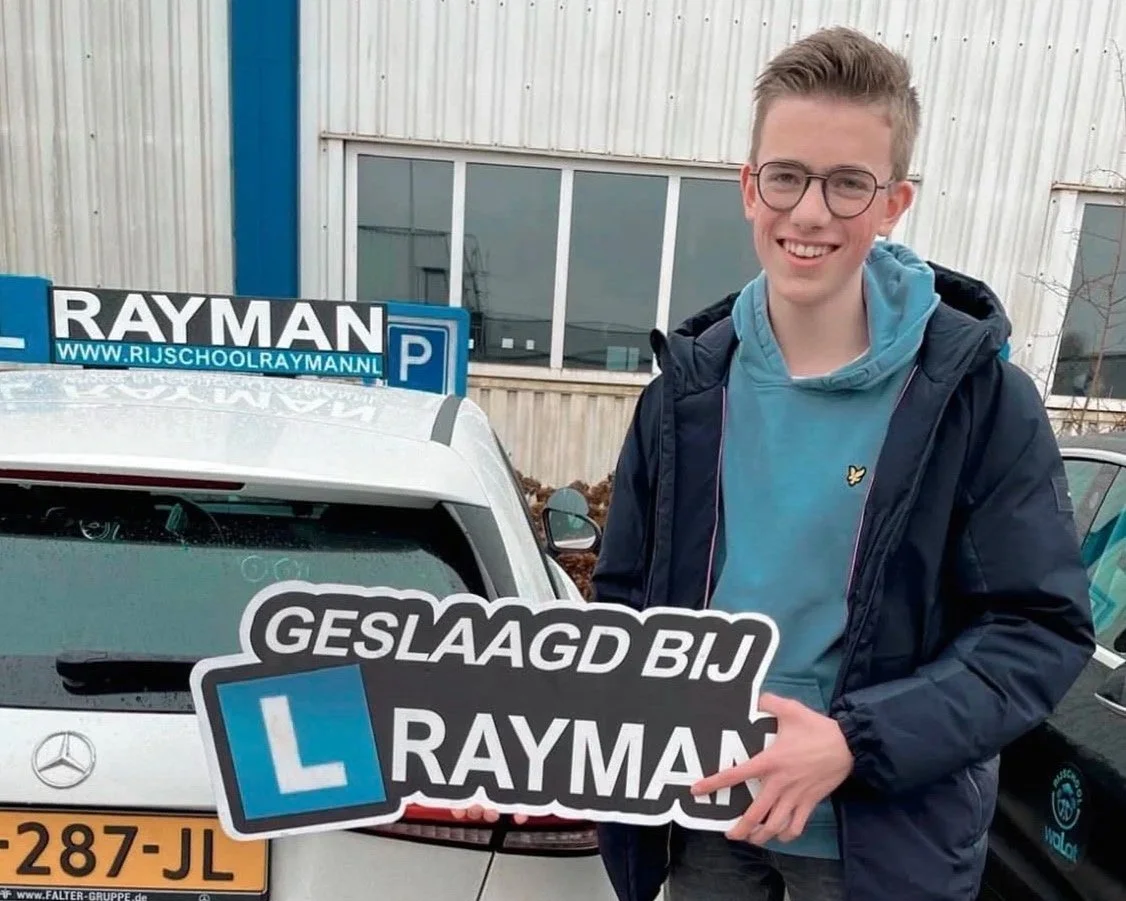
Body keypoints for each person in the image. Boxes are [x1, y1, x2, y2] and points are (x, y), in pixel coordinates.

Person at [585, 25, 1095, 901]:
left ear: (895, 200)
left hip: (879, 847)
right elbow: (627, 605)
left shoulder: (978, 400)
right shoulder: (683, 395)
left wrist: (857, 739)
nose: (810, 212)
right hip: (706, 824)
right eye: (785, 176)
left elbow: (1038, 630)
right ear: (750, 187)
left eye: (847, 183)